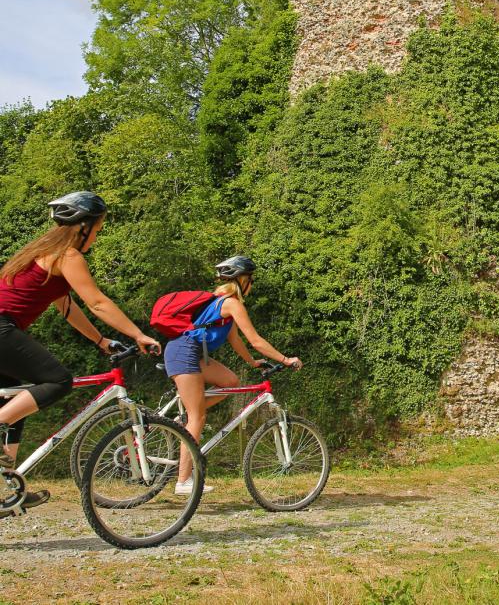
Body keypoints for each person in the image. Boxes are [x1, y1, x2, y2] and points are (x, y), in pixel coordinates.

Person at [0, 190, 159, 509]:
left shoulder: (45, 253)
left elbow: (67, 307)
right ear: (83, 227)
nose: (97, 237)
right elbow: (97, 302)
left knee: (16, 403)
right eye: (97, 229)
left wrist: (100, 340)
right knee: (58, 381)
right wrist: (138, 334)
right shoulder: (67, 256)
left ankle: (8, 488)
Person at [165, 255, 301, 494]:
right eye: (251, 280)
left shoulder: (222, 304)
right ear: (242, 280)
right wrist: (285, 359)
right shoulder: (231, 304)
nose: (252, 285)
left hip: (190, 353)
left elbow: (235, 339)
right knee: (198, 417)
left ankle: (186, 416)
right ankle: (183, 481)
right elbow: (255, 340)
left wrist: (253, 362)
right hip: (184, 352)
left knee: (230, 382)